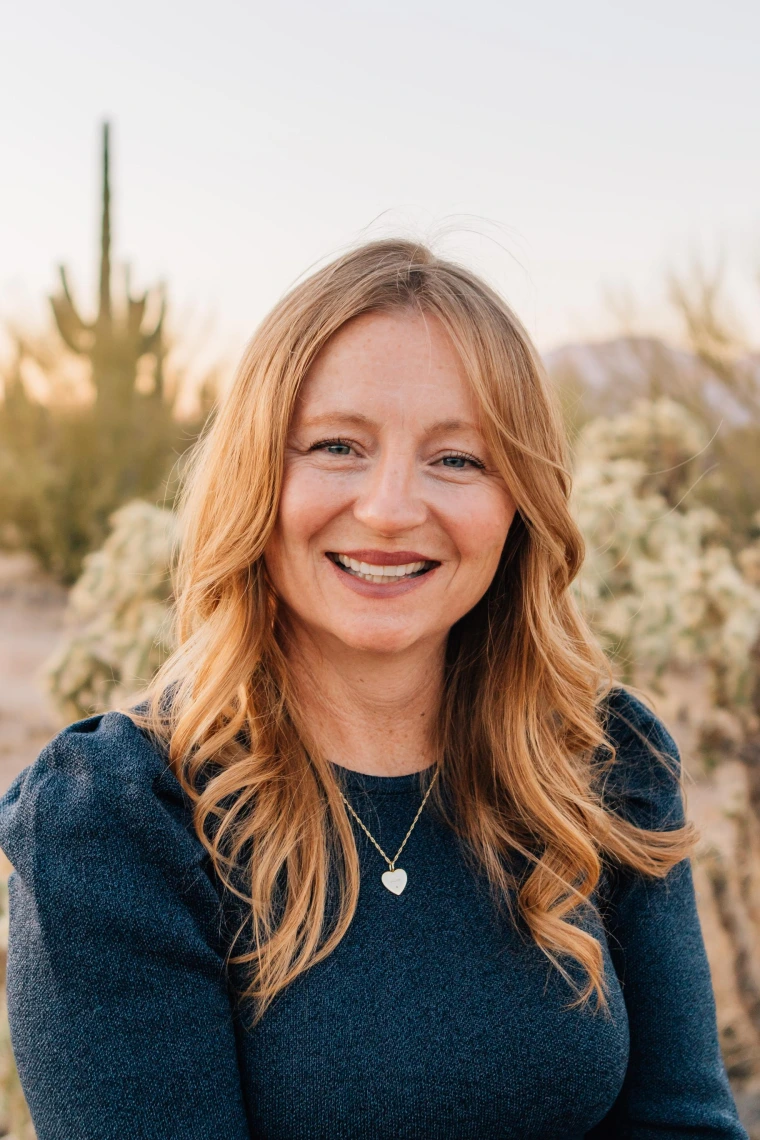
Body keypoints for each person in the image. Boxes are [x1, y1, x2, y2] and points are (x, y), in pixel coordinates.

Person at [0, 239, 747, 1139]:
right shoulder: (119, 821)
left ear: (522, 504)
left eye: (459, 459)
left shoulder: (603, 764)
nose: (391, 508)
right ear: (256, 477)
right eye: (337, 446)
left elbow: (683, 1122)